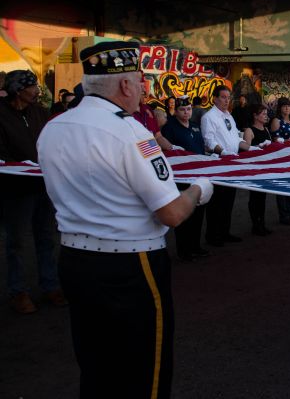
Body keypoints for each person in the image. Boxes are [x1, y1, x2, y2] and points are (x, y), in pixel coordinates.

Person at [37, 41, 213, 399]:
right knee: (144, 370)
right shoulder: (131, 133)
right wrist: (198, 190)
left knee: (96, 365)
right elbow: (172, 213)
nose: (145, 89)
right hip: (131, 267)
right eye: (141, 81)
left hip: (75, 260)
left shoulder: (52, 128)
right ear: (124, 85)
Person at [0, 70, 66, 314]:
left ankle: (50, 285)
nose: (38, 90)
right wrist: (22, 167)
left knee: (46, 237)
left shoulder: (39, 112)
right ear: (18, 89)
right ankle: (18, 291)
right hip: (15, 189)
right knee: (16, 241)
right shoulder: (1, 114)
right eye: (33, 86)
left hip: (42, 185)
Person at [160, 96, 211, 261]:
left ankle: (195, 245)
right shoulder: (170, 128)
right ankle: (184, 250)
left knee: (198, 211)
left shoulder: (195, 127)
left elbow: (201, 149)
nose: (186, 112)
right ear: (176, 111)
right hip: (181, 177)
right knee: (184, 214)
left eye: (188, 109)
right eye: (182, 109)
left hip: (198, 173)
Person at [201, 85, 250, 247]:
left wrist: (253, 147)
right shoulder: (209, 117)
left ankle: (225, 232)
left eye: (228, 98)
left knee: (228, 200)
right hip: (218, 164)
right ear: (214, 98)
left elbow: (236, 138)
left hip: (232, 164)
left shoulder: (229, 116)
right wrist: (223, 152)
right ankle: (213, 235)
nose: (226, 100)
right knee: (216, 202)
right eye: (223, 97)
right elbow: (209, 142)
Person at [242, 103, 274, 236]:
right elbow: (245, 149)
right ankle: (256, 225)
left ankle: (262, 223)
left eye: (266, 113)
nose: (266, 116)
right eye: (263, 113)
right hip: (254, 167)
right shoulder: (249, 130)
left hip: (265, 166)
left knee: (262, 197)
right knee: (255, 197)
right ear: (255, 115)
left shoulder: (266, 130)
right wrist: (259, 147)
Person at [270, 97, 290, 225]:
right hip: (281, 157)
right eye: (284, 106)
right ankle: (283, 215)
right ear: (280, 108)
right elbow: (275, 140)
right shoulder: (277, 121)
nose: (287, 108)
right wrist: (288, 142)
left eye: (288, 106)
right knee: (282, 186)